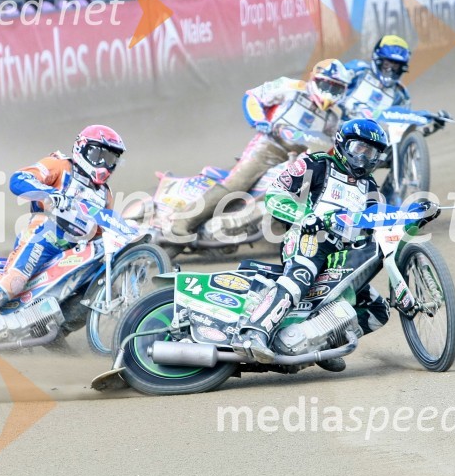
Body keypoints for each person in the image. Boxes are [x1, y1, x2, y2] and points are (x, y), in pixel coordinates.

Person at [0, 125, 127, 344]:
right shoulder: (61, 165)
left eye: (111, 158)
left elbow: (103, 230)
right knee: (16, 281)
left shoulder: (105, 194)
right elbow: (19, 179)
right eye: (100, 154)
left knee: (102, 287)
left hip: (74, 250)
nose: (105, 164)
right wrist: (51, 193)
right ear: (83, 149)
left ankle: (51, 332)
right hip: (43, 233)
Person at [231, 118, 396, 366]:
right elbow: (275, 195)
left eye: (371, 153)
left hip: (344, 256)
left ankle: (321, 343)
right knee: (301, 276)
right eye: (359, 149)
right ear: (342, 144)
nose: (363, 157)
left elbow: (376, 223)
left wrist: (412, 219)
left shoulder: (371, 188)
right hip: (308, 240)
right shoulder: (317, 164)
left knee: (378, 310)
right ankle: (253, 333)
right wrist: (305, 216)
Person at [170, 58, 352, 240]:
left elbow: (335, 145)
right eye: (327, 86)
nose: (329, 93)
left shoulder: (334, 117)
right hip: (270, 146)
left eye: (336, 89)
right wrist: (260, 121)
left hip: (302, 158)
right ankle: (182, 222)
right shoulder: (290, 86)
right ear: (315, 79)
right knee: (237, 185)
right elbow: (253, 97)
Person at [341, 34, 412, 120]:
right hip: (338, 127)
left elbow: (402, 125)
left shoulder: (401, 94)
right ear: (377, 59)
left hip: (373, 132)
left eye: (396, 66)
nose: (390, 69)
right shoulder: (357, 70)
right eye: (387, 64)